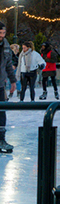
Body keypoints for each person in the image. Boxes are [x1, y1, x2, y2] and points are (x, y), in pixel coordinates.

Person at [0, 23, 17, 153]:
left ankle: (1, 139)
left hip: (0, 85)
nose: (1, 36)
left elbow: (8, 64)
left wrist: (13, 81)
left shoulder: (5, 45)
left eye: (3, 33)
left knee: (1, 112)